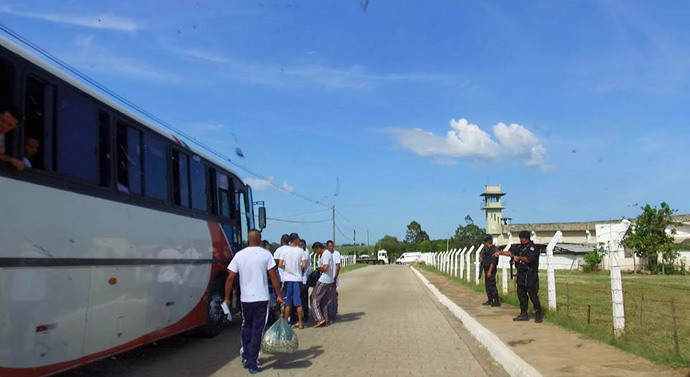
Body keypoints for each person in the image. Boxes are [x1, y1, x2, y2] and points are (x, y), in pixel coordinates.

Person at [224, 230, 284, 374]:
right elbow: (273, 276)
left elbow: (230, 277)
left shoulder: (239, 255)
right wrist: (279, 295)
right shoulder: (266, 254)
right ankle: (252, 363)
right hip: (261, 299)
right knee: (257, 330)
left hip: (246, 299)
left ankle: (245, 356)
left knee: (246, 327)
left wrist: (227, 297)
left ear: (248, 239)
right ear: (260, 239)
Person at [495, 230, 542, 323]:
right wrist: (500, 253)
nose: (520, 240)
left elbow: (529, 259)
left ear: (525, 238)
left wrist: (519, 258)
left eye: (521, 238)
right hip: (521, 274)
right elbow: (510, 252)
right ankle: (523, 313)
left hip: (530, 274)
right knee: (521, 294)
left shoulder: (533, 248)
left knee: (532, 294)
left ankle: (538, 313)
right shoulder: (519, 247)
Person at [277, 233, 307, 329]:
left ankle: (286, 322)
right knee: (298, 302)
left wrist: (287, 268)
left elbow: (280, 264)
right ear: (296, 239)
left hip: (287, 279)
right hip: (297, 278)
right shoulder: (300, 251)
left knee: (288, 302)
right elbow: (304, 265)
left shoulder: (284, 251)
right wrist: (298, 269)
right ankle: (300, 322)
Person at [311, 241, 335, 328]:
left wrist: (319, 268)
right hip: (329, 280)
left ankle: (320, 319)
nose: (315, 253)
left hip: (324, 280)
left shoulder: (325, 254)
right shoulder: (328, 254)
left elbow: (325, 267)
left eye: (315, 251)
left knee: (314, 299)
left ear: (318, 248)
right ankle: (326, 318)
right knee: (323, 301)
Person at [0, 106, 24, 171]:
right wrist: (11, 160)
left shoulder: (8, 140)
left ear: (14, 127)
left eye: (9, 125)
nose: (4, 126)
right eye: (2, 120)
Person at [481, 236, 500, 307]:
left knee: (492, 284)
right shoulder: (487, 249)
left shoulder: (493, 249)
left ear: (487, 242)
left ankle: (496, 300)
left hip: (491, 269)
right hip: (486, 268)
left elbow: (493, 261)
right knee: (487, 285)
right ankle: (490, 299)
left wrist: (490, 271)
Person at [326, 240, 341, 321]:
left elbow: (338, 266)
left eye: (332, 246)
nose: (331, 247)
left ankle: (333, 313)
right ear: (327, 246)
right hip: (326, 279)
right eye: (330, 246)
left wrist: (335, 277)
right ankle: (328, 313)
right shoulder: (325, 254)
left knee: (333, 296)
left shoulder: (336, 254)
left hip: (334, 278)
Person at [298, 239, 311, 322]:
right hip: (303, 278)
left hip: (303, 279)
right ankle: (304, 315)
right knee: (303, 298)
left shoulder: (305, 253)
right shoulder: (304, 252)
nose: (299, 247)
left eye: (301, 245)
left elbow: (303, 266)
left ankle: (305, 315)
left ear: (304, 245)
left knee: (303, 298)